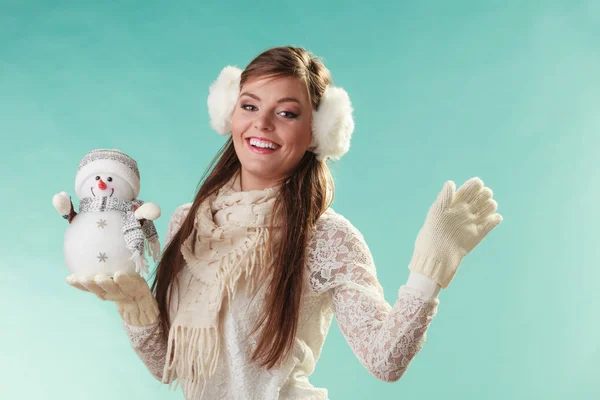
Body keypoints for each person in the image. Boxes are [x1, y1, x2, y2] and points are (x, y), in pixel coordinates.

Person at [66, 46, 503, 400]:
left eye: (287, 113)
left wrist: (428, 271)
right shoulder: (190, 222)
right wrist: (137, 306)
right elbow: (170, 367)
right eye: (249, 105)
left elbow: (384, 361)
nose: (261, 123)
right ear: (228, 114)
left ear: (316, 132)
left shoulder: (326, 237)